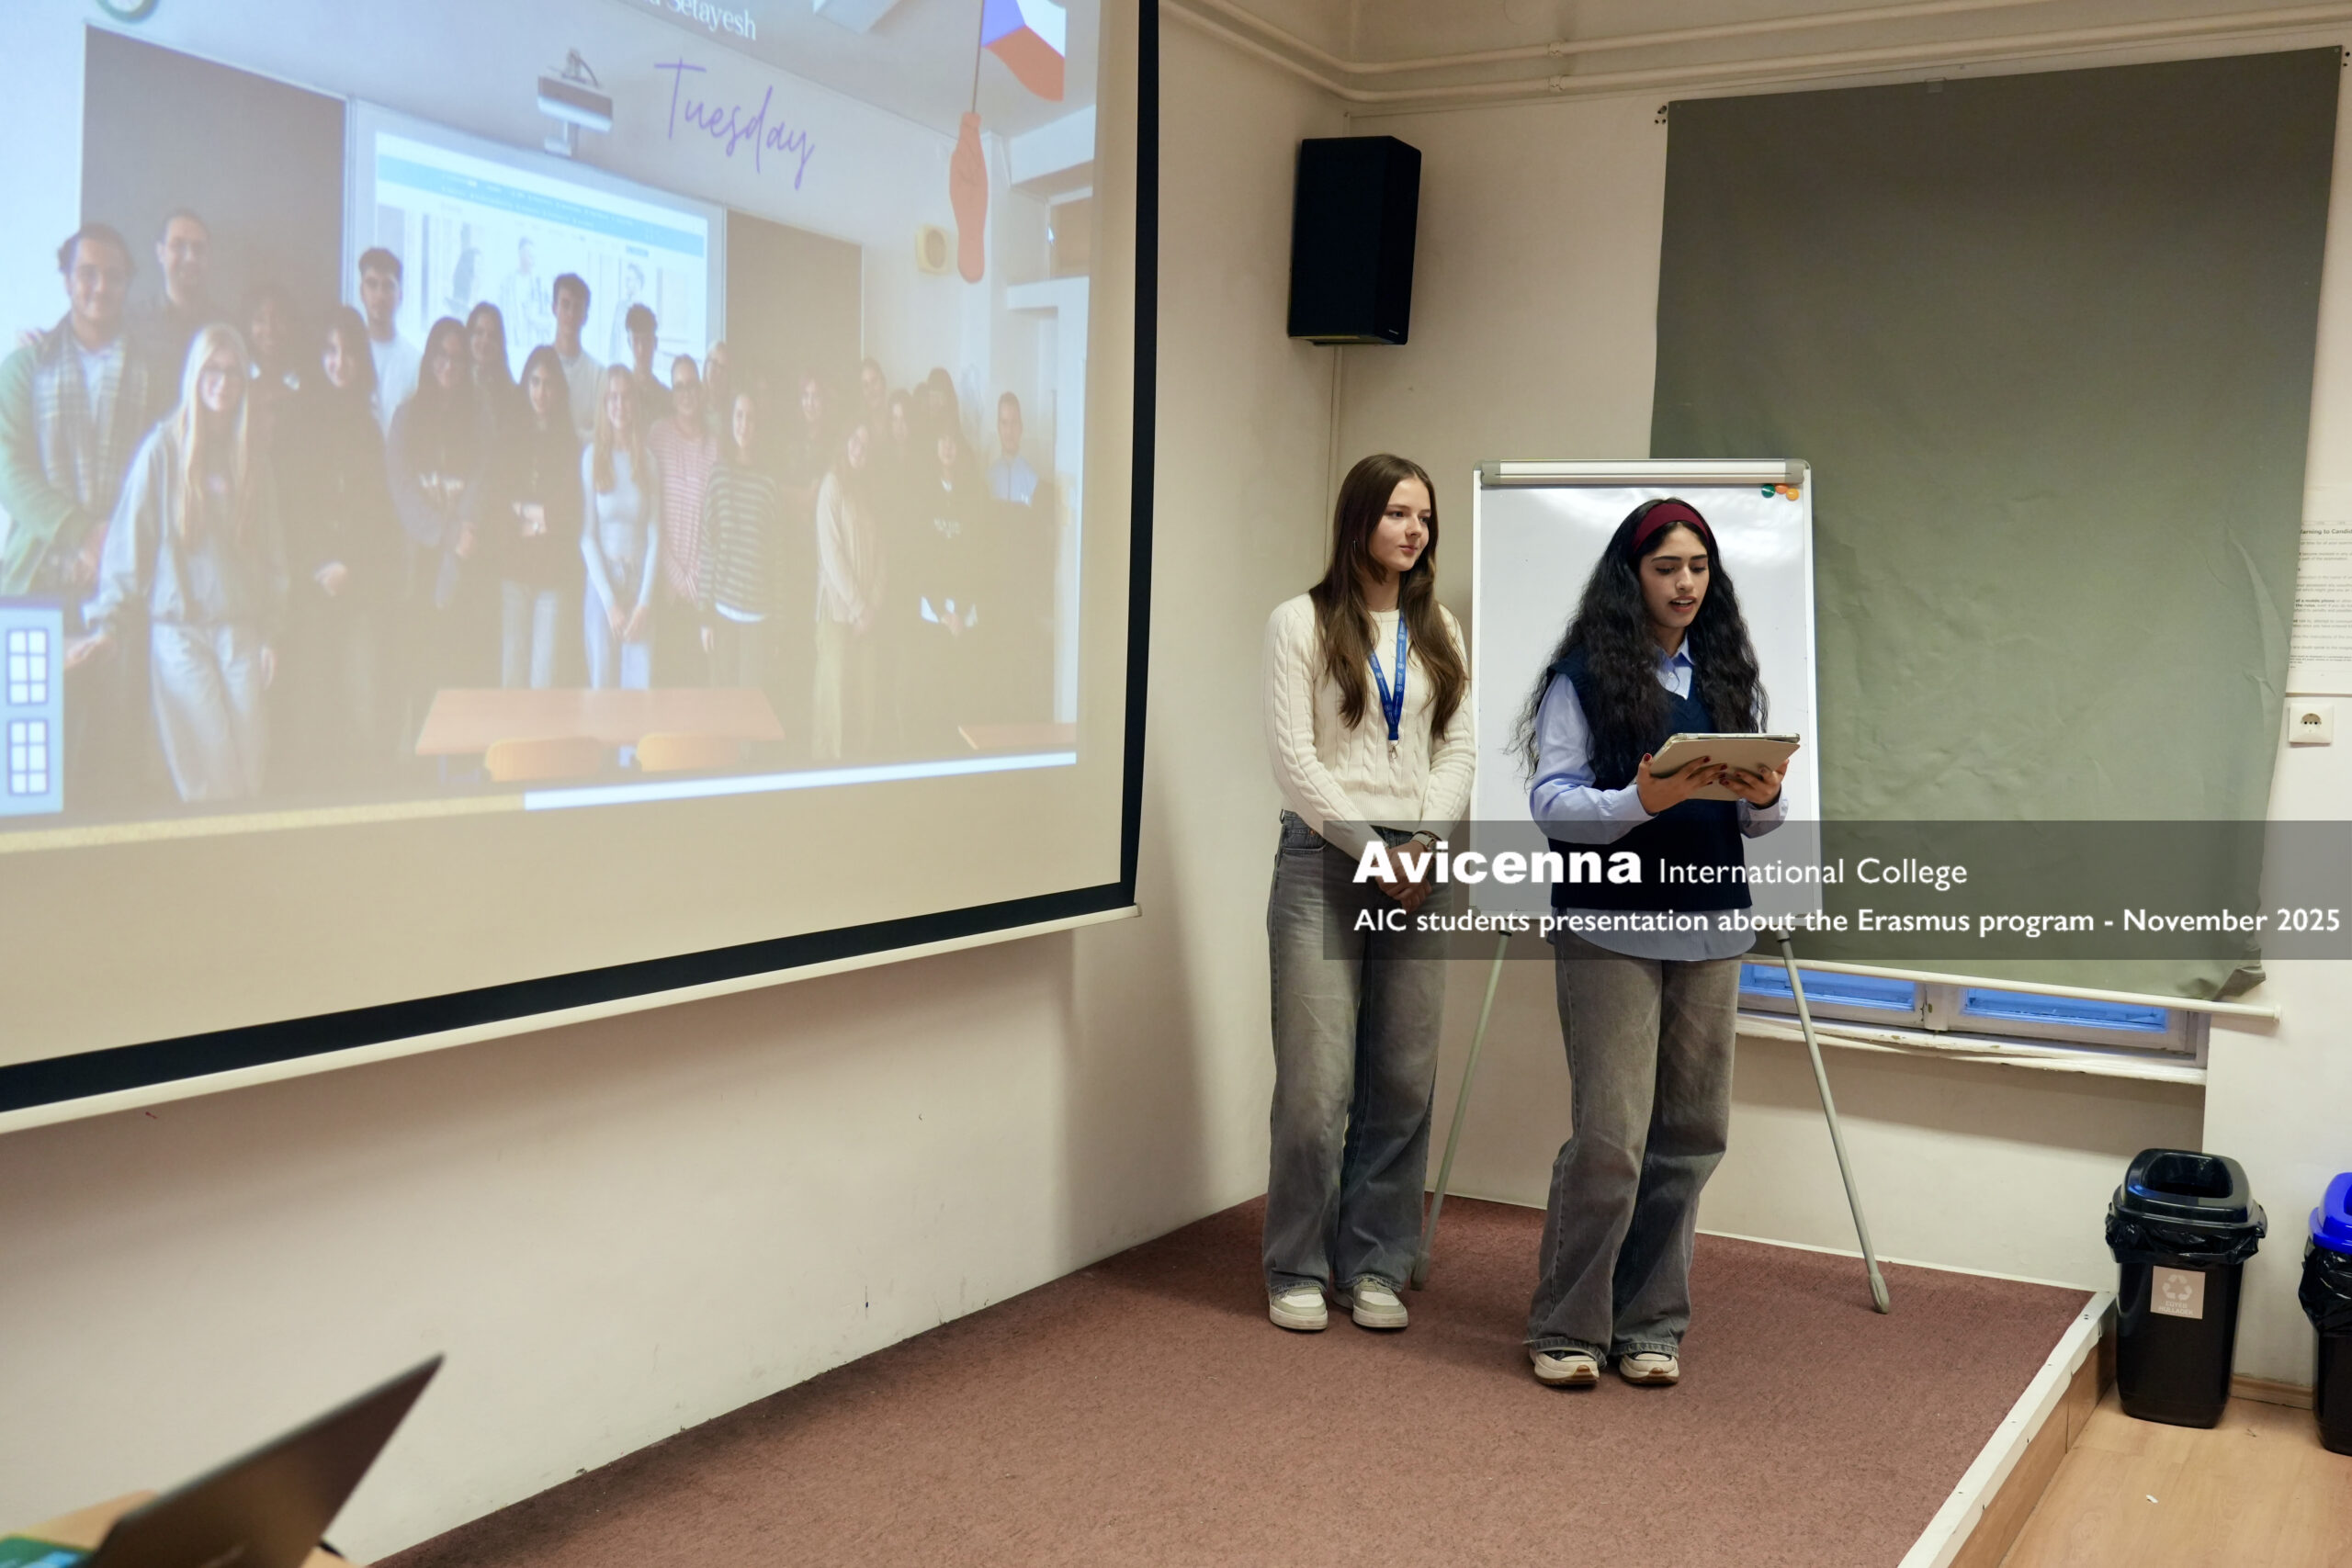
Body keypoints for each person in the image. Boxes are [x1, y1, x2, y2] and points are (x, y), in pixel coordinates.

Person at [1516, 497, 1791, 1390]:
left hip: (1712, 925)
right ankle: (1567, 1323)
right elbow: (1552, 803)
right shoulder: (1581, 677)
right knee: (1610, 1138)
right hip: (1611, 927)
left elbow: (1755, 822)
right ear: (1630, 576)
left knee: (1691, 1135)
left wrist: (1765, 796)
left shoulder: (1726, 673)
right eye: (1666, 567)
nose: (1684, 583)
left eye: (1698, 567)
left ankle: (1649, 1323)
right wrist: (1641, 800)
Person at [1261, 453, 1472, 1335]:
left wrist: (1422, 843)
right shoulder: (1299, 622)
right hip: (1325, 860)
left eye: (1423, 516)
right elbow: (1295, 759)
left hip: (1420, 864)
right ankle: (1297, 1264)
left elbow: (1457, 748)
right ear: (1358, 519)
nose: (1414, 529)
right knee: (1318, 1086)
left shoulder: (1439, 628)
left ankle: (1377, 1260)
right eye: (1396, 513)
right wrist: (1373, 849)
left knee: (1403, 1078)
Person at [72, 323, 288, 802]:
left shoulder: (252, 456)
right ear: (194, 374)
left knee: (251, 767)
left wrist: (272, 633)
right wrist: (109, 622)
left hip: (241, 632)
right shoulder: (161, 450)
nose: (222, 382)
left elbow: (274, 555)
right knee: (213, 773)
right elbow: (127, 546)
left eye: (233, 372)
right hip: (180, 634)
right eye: (212, 370)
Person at [0, 222, 167, 807]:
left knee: (111, 764)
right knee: (29, 767)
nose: (100, 287)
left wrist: (109, 548)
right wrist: (83, 533)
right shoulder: (25, 367)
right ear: (67, 279)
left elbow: (157, 475)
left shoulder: (152, 373)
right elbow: (9, 472)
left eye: (113, 276)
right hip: (35, 585)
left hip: (120, 591)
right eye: (87, 273)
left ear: (127, 284)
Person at [276, 306, 398, 785]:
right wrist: (319, 564)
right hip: (308, 588)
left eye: (348, 351)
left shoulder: (368, 427)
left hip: (360, 587)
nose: (339, 362)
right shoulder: (296, 419)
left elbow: (378, 515)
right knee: (311, 710)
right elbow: (289, 507)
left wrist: (353, 568)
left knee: (364, 706)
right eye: (329, 350)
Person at [387, 317, 491, 728]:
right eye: (442, 356)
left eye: (459, 359)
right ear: (429, 358)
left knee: (462, 676)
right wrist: (445, 533)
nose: (450, 366)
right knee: (420, 674)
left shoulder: (479, 418)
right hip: (418, 565)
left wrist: (457, 542)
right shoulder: (406, 416)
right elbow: (401, 489)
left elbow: (482, 480)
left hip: (466, 564)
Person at [494, 347, 582, 690]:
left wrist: (528, 513)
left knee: (543, 680)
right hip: (514, 570)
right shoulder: (509, 436)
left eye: (548, 384)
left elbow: (568, 508)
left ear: (558, 389)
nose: (541, 392)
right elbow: (500, 499)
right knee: (512, 676)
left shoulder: (569, 442)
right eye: (534, 382)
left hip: (552, 575)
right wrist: (538, 518)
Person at [696, 389, 786, 711]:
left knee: (750, 712)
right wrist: (705, 615)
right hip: (722, 612)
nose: (744, 424)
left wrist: (778, 627)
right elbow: (708, 547)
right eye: (738, 415)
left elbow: (777, 558)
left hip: (758, 619)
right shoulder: (718, 476)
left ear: (758, 426)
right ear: (730, 420)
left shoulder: (769, 484)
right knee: (720, 710)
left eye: (750, 418)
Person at [899, 424, 983, 750]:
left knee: (961, 695)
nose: (948, 447)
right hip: (933, 614)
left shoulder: (974, 491)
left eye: (953, 441)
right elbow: (919, 555)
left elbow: (978, 555)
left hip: (964, 616)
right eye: (942, 440)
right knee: (931, 692)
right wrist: (942, 611)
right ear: (935, 446)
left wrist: (959, 611)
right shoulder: (923, 492)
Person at [581, 366, 661, 690]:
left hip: (638, 585)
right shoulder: (592, 458)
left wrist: (644, 602)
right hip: (603, 587)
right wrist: (610, 602)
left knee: (638, 693)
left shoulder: (648, 461)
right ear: (604, 403)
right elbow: (586, 536)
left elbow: (655, 536)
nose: (619, 405)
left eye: (626, 397)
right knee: (602, 691)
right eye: (612, 397)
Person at [810, 421, 881, 760]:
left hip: (867, 619)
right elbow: (832, 555)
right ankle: (827, 774)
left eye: (866, 446)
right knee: (833, 701)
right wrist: (859, 607)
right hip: (837, 613)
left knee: (865, 702)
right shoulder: (831, 486)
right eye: (855, 440)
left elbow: (883, 556)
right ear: (844, 441)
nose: (859, 449)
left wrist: (872, 608)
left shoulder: (869, 494)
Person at [646, 354, 716, 684]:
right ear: (672, 394)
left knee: (695, 685)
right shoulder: (657, 436)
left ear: (700, 391)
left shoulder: (715, 446)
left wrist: (691, 582)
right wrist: (674, 577)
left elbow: (714, 525)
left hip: (699, 592)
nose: (686, 393)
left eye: (691, 385)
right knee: (662, 683)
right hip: (663, 589)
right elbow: (650, 513)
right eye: (679, 386)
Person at [131, 209, 215, 378]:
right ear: (160, 252)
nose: (190, 257)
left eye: (198, 248)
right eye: (178, 246)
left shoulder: (223, 325)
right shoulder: (133, 323)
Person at [358, 248, 419, 435]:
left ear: (400, 295)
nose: (380, 295)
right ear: (361, 292)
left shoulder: (416, 362)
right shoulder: (346, 354)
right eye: (372, 284)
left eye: (388, 286)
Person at [550, 273, 601, 442]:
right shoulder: (537, 365)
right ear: (554, 308)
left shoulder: (598, 374)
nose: (571, 314)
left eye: (577, 307)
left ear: (585, 317)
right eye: (565, 305)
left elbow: (602, 432)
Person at [497, 238, 553, 367]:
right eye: (529, 255)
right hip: (511, 347)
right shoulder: (507, 284)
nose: (532, 259)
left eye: (534, 256)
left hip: (534, 349)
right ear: (520, 255)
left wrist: (534, 319)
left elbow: (550, 322)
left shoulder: (541, 285)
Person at [623, 303, 667, 428]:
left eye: (647, 341)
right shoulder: (620, 395)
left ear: (655, 343)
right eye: (636, 341)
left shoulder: (666, 397)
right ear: (629, 343)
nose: (641, 350)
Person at [701, 340, 734, 442]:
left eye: (723, 368)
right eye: (714, 363)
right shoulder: (693, 403)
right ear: (706, 365)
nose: (718, 372)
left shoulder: (733, 410)